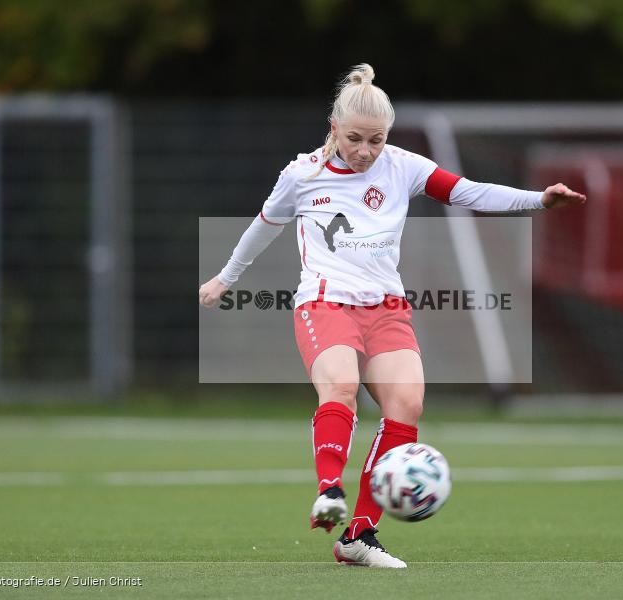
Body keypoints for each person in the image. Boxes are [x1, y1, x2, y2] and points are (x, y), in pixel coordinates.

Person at [199, 64, 586, 568]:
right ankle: (329, 490)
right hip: (325, 301)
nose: (365, 151)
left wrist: (538, 200)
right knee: (340, 386)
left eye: (376, 140)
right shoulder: (303, 175)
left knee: (406, 404)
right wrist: (226, 277)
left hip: (386, 308)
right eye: (354, 139)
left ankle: (358, 536)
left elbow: (469, 191)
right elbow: (264, 225)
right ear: (334, 128)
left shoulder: (403, 167)